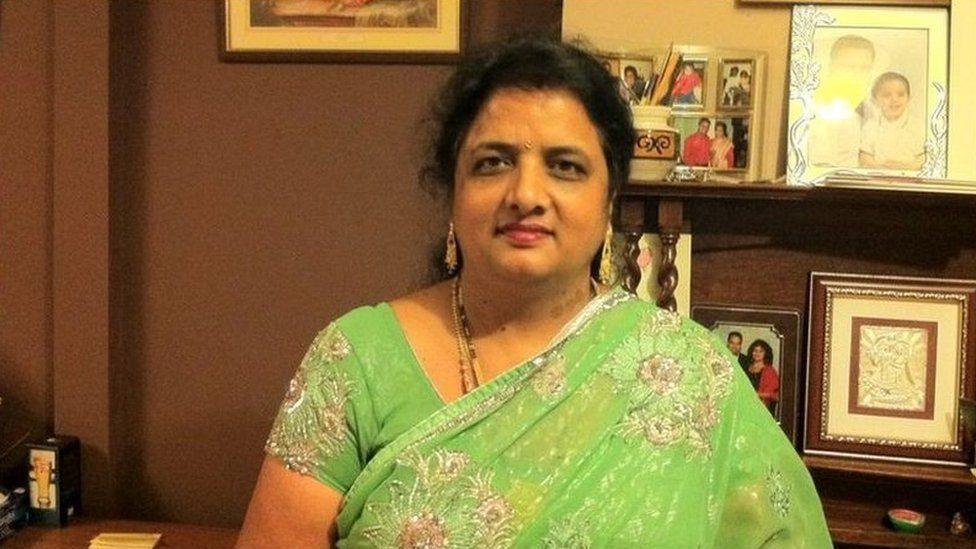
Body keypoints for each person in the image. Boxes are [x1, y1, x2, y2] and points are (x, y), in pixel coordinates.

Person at [238, 36, 829, 548]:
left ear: (608, 203)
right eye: (493, 163)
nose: (526, 193)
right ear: (452, 194)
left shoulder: (693, 376)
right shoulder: (356, 361)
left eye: (565, 166)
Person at [808, 35, 877, 168]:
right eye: (848, 67)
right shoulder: (815, 112)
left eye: (864, 68)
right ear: (831, 68)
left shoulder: (873, 108)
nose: (857, 75)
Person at [859, 71, 924, 171]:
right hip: (878, 179)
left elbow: (924, 158)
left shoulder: (917, 126)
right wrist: (878, 168)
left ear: (909, 98)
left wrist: (907, 168)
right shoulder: (871, 126)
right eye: (887, 95)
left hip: (910, 179)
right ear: (875, 101)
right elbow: (864, 156)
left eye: (900, 94)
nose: (894, 99)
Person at [746, 339, 780, 418]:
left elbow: (774, 394)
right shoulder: (746, 367)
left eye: (761, 351)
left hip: (762, 410)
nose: (757, 353)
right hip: (746, 405)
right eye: (755, 350)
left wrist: (756, 394)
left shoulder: (770, 371)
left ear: (765, 354)